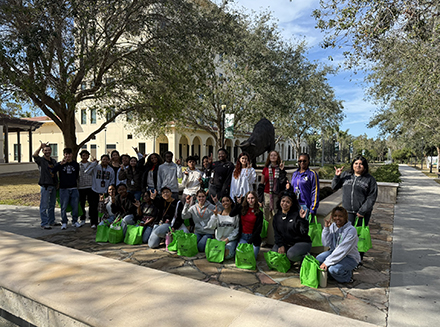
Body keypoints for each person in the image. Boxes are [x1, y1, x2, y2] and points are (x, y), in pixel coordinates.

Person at [331, 156, 378, 264]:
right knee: (345, 236)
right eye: (356, 163)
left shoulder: (369, 179)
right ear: (352, 165)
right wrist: (337, 176)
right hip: (346, 213)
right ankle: (345, 256)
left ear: (365, 166)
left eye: (361, 164)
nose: (358, 165)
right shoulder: (346, 176)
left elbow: (372, 197)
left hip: (361, 213)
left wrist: (363, 210)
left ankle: (358, 259)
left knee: (358, 237)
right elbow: (334, 186)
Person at [316, 206, 360, 283]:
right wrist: (326, 228)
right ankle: (333, 275)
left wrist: (326, 262)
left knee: (333, 269)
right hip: (335, 252)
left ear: (345, 217)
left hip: (350, 257)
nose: (337, 218)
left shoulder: (351, 230)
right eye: (335, 216)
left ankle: (348, 277)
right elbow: (326, 243)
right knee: (318, 259)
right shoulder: (333, 226)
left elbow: (343, 249)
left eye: (340, 216)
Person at [272, 190, 311, 263]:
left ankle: (304, 257)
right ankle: (289, 260)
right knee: (274, 253)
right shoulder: (277, 217)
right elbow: (277, 234)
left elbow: (304, 232)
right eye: (283, 201)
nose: (285, 204)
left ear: (292, 204)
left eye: (288, 202)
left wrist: (302, 220)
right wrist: (281, 245)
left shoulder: (296, 215)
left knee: (291, 255)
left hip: (300, 242)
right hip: (286, 243)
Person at [258, 150, 287, 243]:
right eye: (271, 155)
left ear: (278, 157)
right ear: (269, 157)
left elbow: (283, 183)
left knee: (277, 218)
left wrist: (282, 171)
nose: (273, 157)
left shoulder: (280, 169)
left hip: (276, 196)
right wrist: (260, 198)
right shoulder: (266, 169)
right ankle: (264, 238)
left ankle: (278, 239)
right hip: (266, 195)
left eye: (275, 155)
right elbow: (261, 184)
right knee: (265, 219)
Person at [84, 154, 116, 229]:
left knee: (105, 208)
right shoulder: (96, 167)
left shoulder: (110, 169)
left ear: (108, 161)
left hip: (105, 191)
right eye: (103, 159)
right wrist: (94, 163)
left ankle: (102, 221)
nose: (104, 161)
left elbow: (112, 180)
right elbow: (87, 172)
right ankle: (93, 223)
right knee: (93, 207)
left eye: (106, 159)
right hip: (95, 190)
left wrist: (109, 190)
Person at [230, 191, 264, 260]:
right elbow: (231, 214)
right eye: (248, 198)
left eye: (252, 198)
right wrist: (238, 204)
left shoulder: (259, 212)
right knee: (240, 257)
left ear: (255, 199)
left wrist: (250, 241)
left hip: (253, 237)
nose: (250, 200)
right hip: (243, 236)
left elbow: (258, 229)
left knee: (251, 258)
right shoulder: (243, 208)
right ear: (246, 199)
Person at [33, 141, 59, 229]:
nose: (47, 152)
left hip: (53, 185)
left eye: (49, 150)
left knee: (52, 205)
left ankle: (51, 221)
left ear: (51, 151)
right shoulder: (41, 161)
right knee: (44, 205)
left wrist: (57, 183)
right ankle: (44, 223)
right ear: (43, 152)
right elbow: (35, 155)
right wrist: (40, 147)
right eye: (45, 150)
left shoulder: (53, 161)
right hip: (45, 186)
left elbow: (56, 172)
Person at [53, 148, 81, 230]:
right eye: (66, 154)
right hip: (63, 188)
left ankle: (75, 221)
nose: (68, 156)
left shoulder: (75, 164)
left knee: (75, 206)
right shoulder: (61, 164)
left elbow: (76, 175)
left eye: (69, 154)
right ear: (64, 155)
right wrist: (60, 164)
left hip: (74, 188)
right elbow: (53, 171)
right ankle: (64, 222)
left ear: (72, 155)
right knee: (63, 206)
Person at [206, 195, 239, 259]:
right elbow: (210, 226)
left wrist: (228, 239)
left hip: (230, 240)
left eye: (227, 201)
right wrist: (215, 216)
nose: (225, 203)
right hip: (219, 239)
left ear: (231, 202)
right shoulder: (218, 215)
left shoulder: (235, 215)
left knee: (227, 254)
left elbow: (237, 229)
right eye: (223, 201)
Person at [289, 153, 320, 218]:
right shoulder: (295, 174)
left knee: (304, 227)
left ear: (308, 161)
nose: (302, 162)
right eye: (300, 161)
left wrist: (313, 208)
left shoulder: (312, 174)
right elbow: (292, 189)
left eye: (304, 161)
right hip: (295, 205)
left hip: (305, 206)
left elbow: (315, 191)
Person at [78, 149, 93, 226]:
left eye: (86, 155)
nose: (84, 157)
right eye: (83, 155)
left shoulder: (91, 165)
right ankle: (82, 218)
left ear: (88, 156)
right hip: (81, 187)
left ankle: (91, 217)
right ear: (81, 156)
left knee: (91, 203)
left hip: (90, 186)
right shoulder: (78, 165)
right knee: (82, 203)